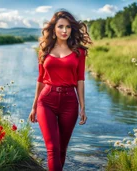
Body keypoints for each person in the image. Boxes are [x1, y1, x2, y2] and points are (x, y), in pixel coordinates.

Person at [28, 9, 92, 171]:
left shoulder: (80, 52)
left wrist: (82, 106)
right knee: (52, 149)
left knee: (62, 149)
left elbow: (80, 79)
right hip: (46, 101)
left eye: (68, 27)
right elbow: (41, 79)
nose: (65, 31)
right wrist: (34, 106)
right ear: (54, 29)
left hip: (69, 102)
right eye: (61, 27)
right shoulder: (44, 50)